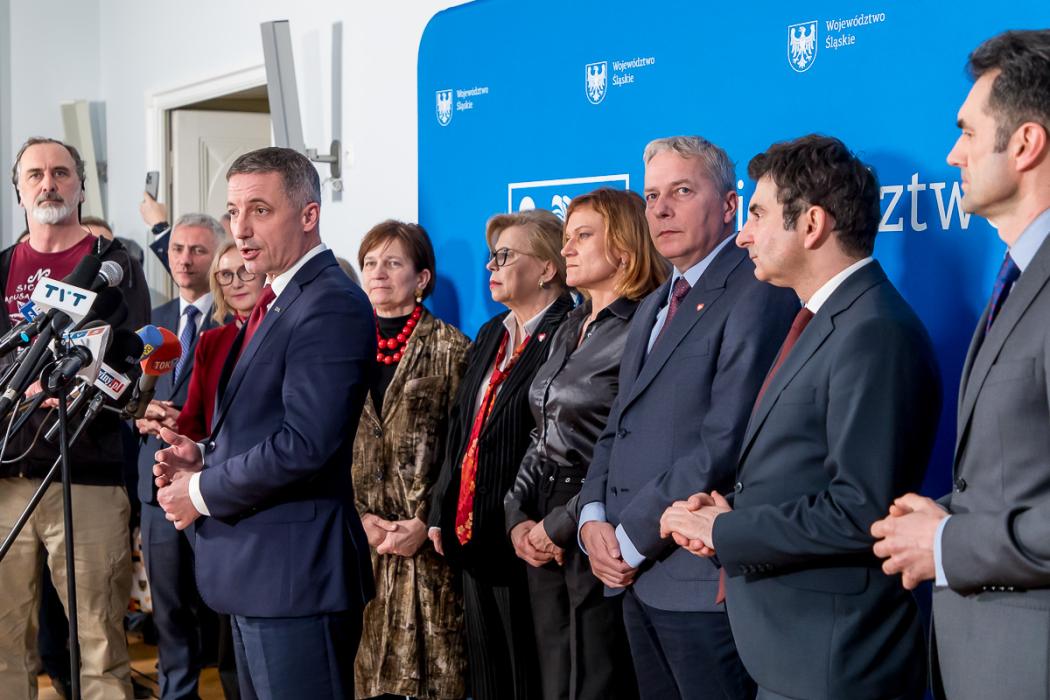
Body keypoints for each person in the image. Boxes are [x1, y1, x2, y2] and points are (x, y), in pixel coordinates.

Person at [662, 135, 941, 700]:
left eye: (758, 214)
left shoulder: (874, 331)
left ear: (812, 225)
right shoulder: (826, 320)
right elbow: (806, 470)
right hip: (793, 650)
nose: (744, 235)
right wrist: (733, 511)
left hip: (836, 660)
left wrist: (724, 530)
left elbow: (860, 509)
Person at [575, 136, 799, 700]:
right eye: (652, 196)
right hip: (635, 578)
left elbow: (726, 440)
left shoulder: (757, 291)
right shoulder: (655, 301)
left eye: (681, 191)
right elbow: (618, 425)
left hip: (697, 583)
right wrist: (592, 515)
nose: (661, 210)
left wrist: (629, 540)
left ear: (729, 206)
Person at [151, 146, 376, 699]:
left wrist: (199, 490)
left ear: (308, 214)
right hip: (260, 575)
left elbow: (305, 444)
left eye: (259, 210)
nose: (241, 229)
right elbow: (264, 423)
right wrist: (205, 453)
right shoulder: (278, 296)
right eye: (233, 212)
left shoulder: (330, 302)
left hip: (296, 577)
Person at [871, 29, 1050, 700]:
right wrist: (941, 514)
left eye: (968, 133)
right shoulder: (1020, 278)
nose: (952, 155)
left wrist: (948, 544)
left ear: (1025, 144)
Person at [0, 136, 151, 698]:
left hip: (86, 476)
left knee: (99, 646)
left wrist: (62, 382)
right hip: (7, 477)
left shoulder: (115, 266)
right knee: (4, 644)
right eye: (35, 174)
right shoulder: (2, 267)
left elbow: (131, 359)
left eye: (61, 173)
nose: (49, 184)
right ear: (18, 191)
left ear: (82, 187)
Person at [504, 188, 666, 700]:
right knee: (555, 680)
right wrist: (516, 512)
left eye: (582, 236)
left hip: (599, 519)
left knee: (597, 680)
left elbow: (627, 447)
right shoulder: (570, 324)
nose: (566, 248)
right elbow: (542, 429)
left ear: (624, 249)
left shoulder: (646, 327)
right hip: (541, 516)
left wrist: (561, 523)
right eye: (566, 236)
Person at [429, 208, 573, 700]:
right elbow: (461, 429)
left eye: (505, 255)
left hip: (527, 536)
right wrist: (441, 507)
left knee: (528, 679)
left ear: (547, 267)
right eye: (492, 256)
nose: (491, 266)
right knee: (489, 680)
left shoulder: (571, 331)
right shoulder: (492, 332)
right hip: (473, 536)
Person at [352, 220, 469, 699]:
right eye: (370, 263)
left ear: (421, 278)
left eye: (392, 262)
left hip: (428, 552)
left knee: (432, 684)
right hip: (360, 550)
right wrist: (357, 519)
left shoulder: (452, 348)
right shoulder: (343, 346)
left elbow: (465, 453)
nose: (378, 272)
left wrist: (427, 520)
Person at [134, 212, 224, 700]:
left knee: (222, 609)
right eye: (177, 250)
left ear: (217, 256)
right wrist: (139, 413)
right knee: (168, 611)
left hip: (213, 485)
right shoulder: (155, 322)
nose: (185, 260)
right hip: (156, 489)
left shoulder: (234, 318)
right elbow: (128, 396)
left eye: (197, 250)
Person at [173, 239, 263, 700]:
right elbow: (192, 421)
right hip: (214, 488)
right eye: (225, 276)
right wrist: (171, 431)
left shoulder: (281, 333)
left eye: (243, 271)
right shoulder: (211, 341)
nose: (235, 282)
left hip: (262, 487)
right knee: (233, 626)